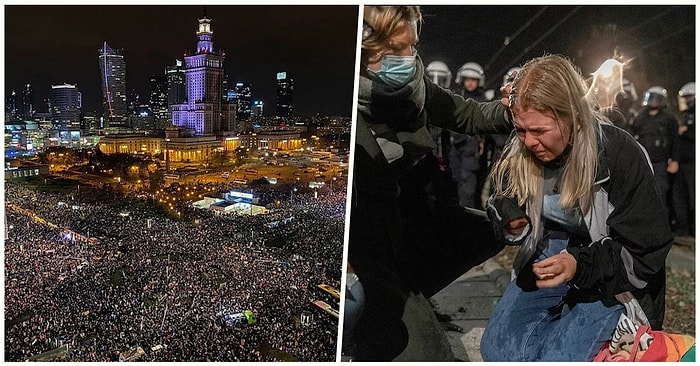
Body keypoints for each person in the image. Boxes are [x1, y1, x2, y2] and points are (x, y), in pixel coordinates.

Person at [345, 5, 513, 361]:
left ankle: (411, 291)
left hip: (416, 209)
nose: (409, 58)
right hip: (373, 236)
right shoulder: (351, 125)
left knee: (490, 231)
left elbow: (466, 113)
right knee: (427, 352)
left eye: (413, 46)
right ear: (366, 51)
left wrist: (512, 109)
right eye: (396, 50)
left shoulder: (415, 84)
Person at [479, 54, 673, 361]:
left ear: (574, 116)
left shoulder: (620, 154)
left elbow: (645, 249)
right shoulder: (522, 144)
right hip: (551, 250)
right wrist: (510, 217)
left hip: (609, 269)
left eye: (539, 132)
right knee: (498, 351)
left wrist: (578, 264)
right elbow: (503, 193)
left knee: (559, 357)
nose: (528, 142)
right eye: (520, 129)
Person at [629, 86, 681, 226]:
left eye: (656, 98)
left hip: (660, 163)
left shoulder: (668, 118)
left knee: (660, 194)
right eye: (651, 97)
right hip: (643, 162)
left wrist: (675, 160)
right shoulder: (640, 118)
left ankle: (662, 227)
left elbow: (675, 140)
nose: (653, 101)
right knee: (641, 194)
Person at [448, 61, 490, 208]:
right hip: (456, 147)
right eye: (468, 79)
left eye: (474, 80)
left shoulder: (483, 102)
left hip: (472, 149)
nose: (470, 83)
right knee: (455, 183)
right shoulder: (456, 98)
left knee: (468, 189)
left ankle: (466, 219)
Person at [671, 82, 695, 240]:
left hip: (693, 163)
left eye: (688, 97)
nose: (685, 100)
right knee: (680, 197)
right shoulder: (685, 115)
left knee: (693, 196)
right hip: (682, 163)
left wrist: (686, 131)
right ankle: (683, 228)